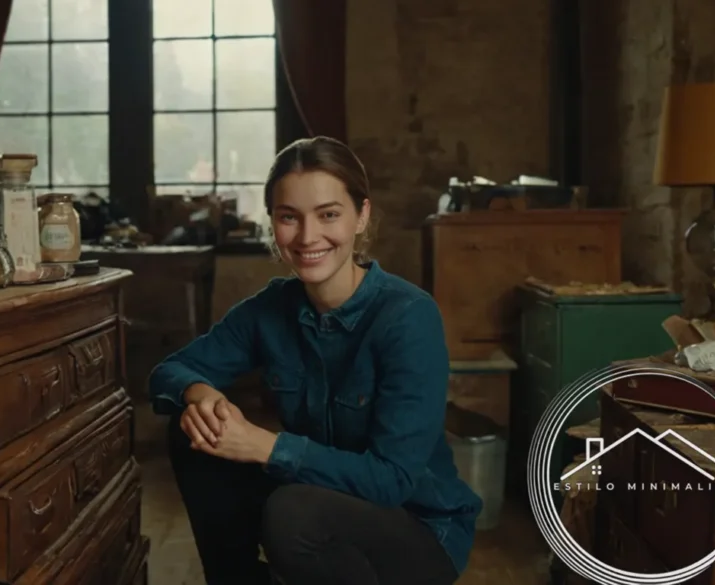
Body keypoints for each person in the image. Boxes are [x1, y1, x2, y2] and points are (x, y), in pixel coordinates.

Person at [148, 136, 482, 585]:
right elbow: (167, 372)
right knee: (195, 428)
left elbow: (393, 479)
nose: (307, 237)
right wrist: (201, 392)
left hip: (416, 529)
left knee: (295, 512)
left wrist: (265, 446)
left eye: (328, 215)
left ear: (361, 216)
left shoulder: (407, 316)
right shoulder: (270, 309)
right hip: (322, 495)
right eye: (289, 218)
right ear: (273, 223)